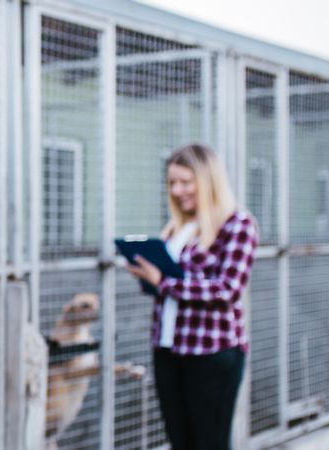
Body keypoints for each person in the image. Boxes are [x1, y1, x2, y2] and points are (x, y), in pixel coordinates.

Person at [126, 143, 257, 450]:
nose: (177, 190)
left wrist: (165, 281)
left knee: (209, 443)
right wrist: (148, 274)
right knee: (180, 442)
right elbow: (167, 286)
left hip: (211, 352)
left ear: (208, 180)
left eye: (186, 182)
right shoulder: (177, 228)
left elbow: (227, 289)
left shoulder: (238, 225)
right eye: (172, 182)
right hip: (169, 348)